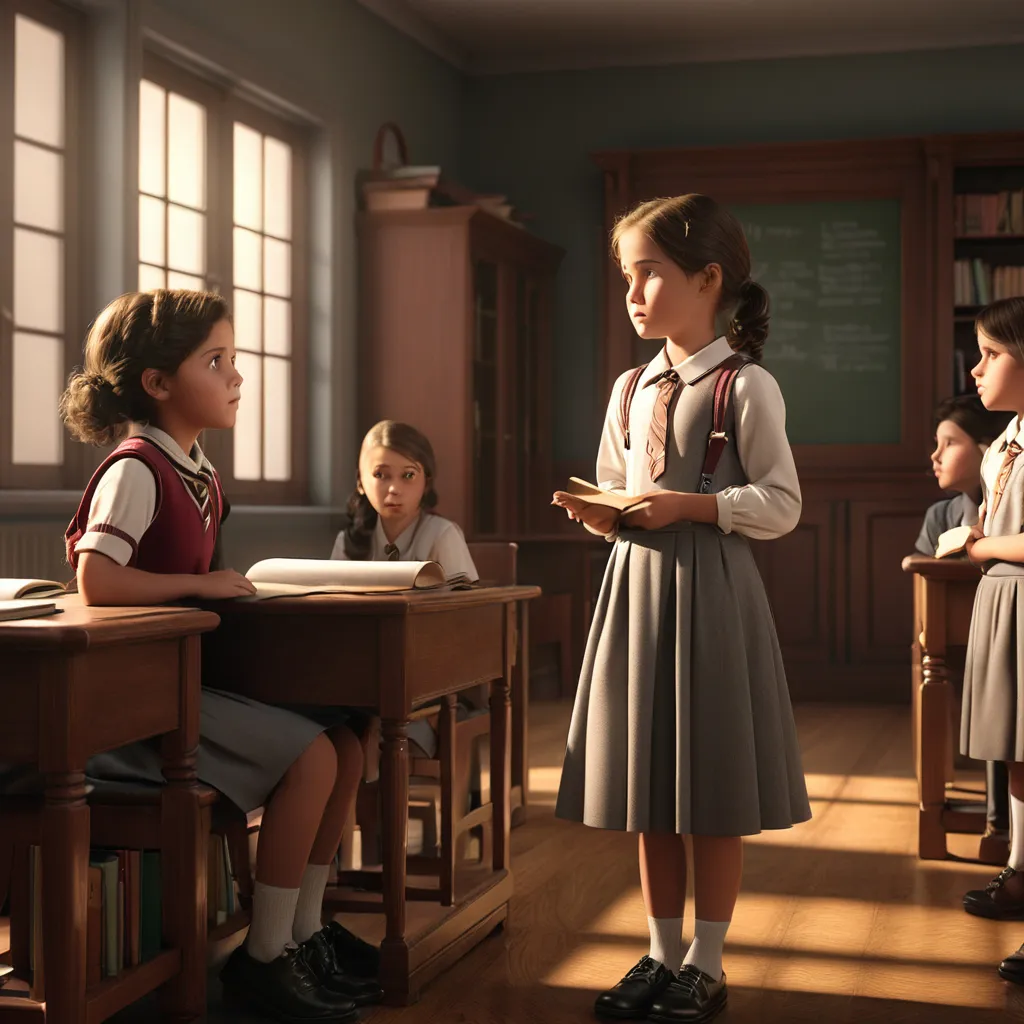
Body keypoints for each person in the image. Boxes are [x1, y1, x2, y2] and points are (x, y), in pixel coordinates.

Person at [61, 289, 380, 1021]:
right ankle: (264, 957)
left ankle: (303, 932)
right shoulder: (136, 468)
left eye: (234, 359)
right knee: (315, 758)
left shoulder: (197, 470)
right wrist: (204, 584)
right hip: (131, 705)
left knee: (350, 738)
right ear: (157, 383)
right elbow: (97, 578)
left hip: (179, 683)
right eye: (216, 361)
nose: (237, 376)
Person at [552, 194, 810, 1022]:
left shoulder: (746, 385)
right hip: (635, 589)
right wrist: (605, 512)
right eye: (626, 276)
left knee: (711, 780)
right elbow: (620, 485)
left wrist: (689, 508)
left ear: (709, 279)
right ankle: (660, 952)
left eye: (649, 274)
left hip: (711, 594)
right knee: (648, 780)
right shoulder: (629, 387)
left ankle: (707, 958)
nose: (632, 292)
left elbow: (780, 504)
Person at [958, 296, 1024, 983]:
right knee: (1014, 754)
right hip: (1001, 598)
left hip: (1018, 590)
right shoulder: (1003, 443)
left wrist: (984, 546)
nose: (976, 369)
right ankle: (1020, 871)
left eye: (992, 354)